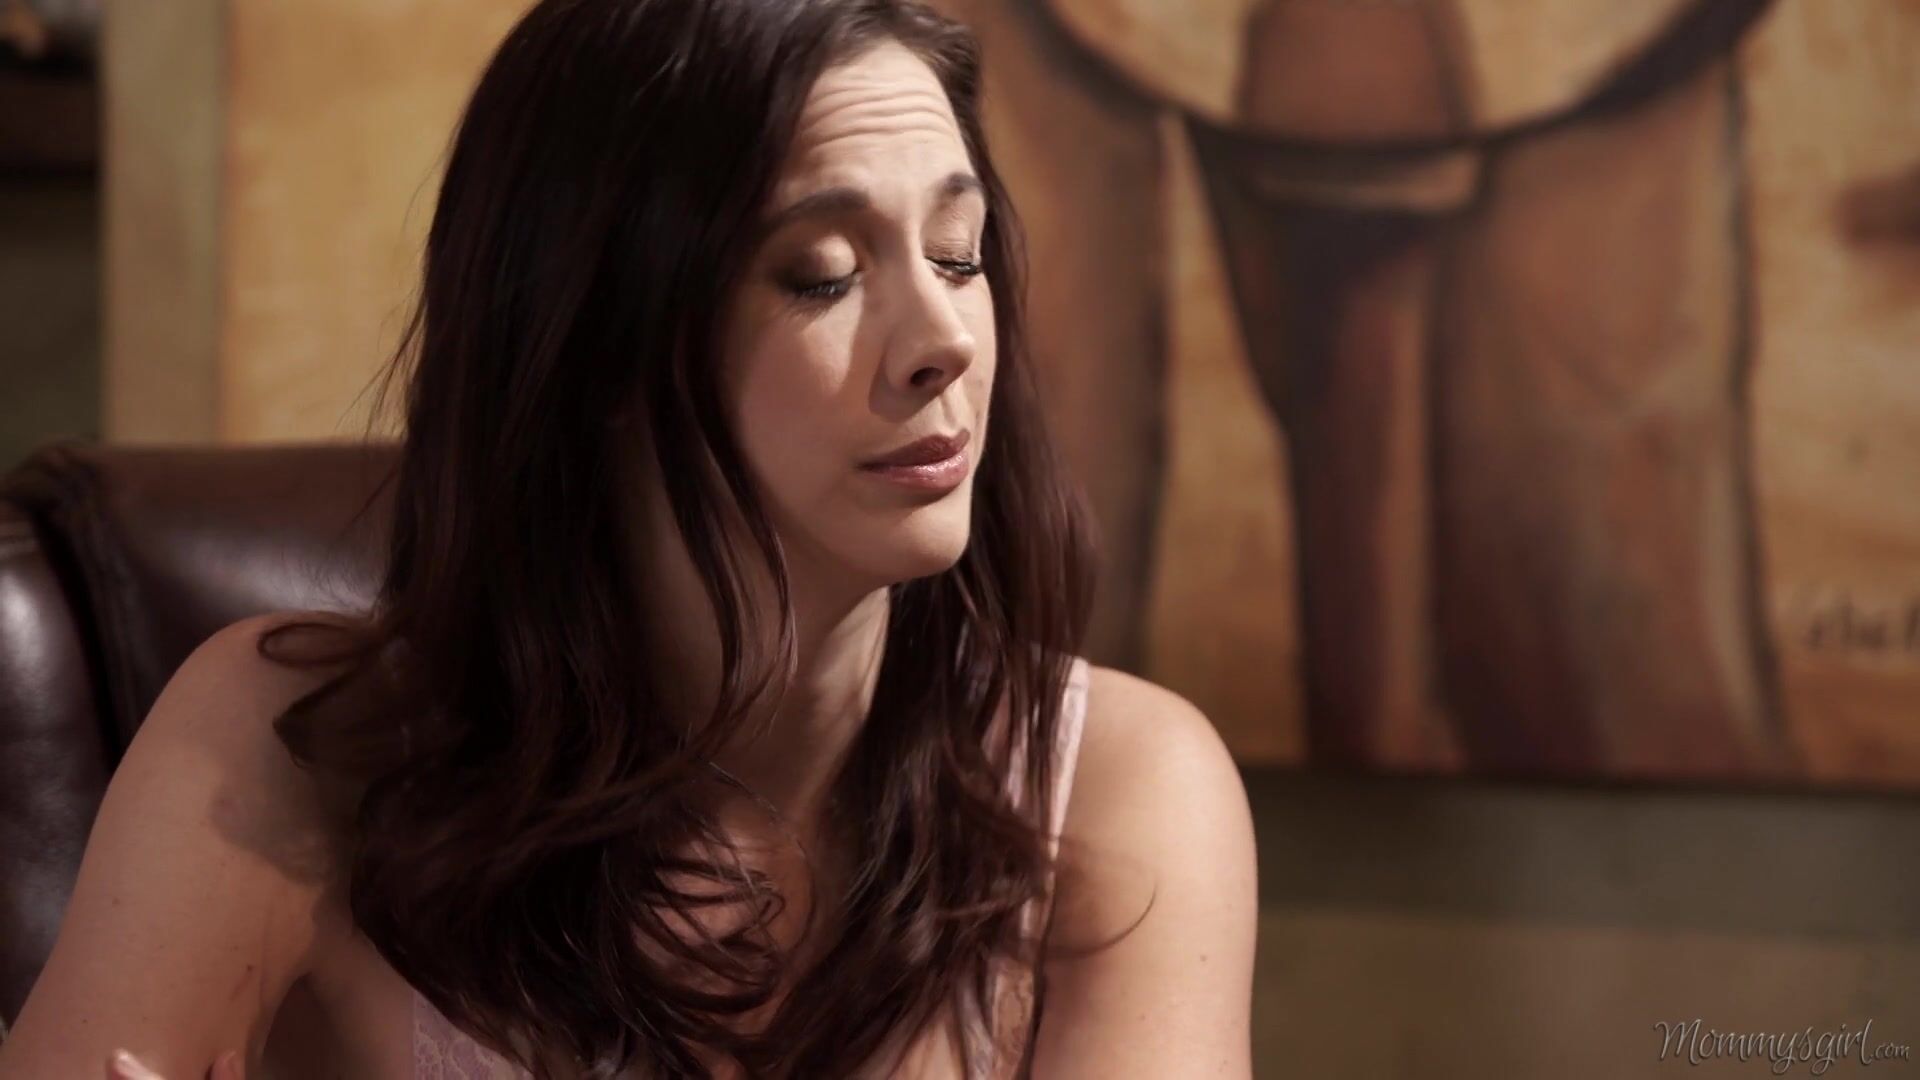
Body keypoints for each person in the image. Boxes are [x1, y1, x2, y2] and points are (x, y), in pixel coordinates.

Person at [0, 1, 1257, 1077]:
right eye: (823, 273)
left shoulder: (1118, 793)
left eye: (959, 254)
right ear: (597, 342)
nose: (945, 341)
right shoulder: (285, 754)